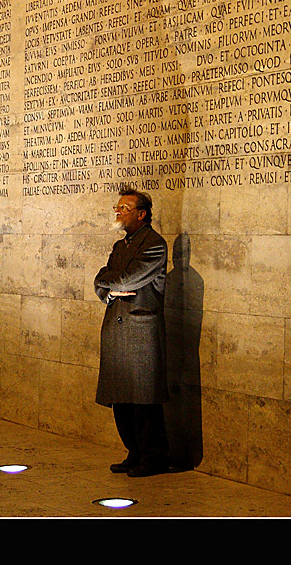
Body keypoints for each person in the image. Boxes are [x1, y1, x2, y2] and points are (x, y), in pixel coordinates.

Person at [94, 186, 171, 477]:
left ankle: (153, 458)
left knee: (144, 401)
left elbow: (128, 278)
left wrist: (112, 283)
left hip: (140, 331)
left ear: (141, 213)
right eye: (117, 207)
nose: (118, 212)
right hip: (117, 327)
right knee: (122, 400)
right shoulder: (120, 246)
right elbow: (102, 280)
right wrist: (112, 290)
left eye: (124, 208)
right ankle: (134, 452)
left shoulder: (154, 244)